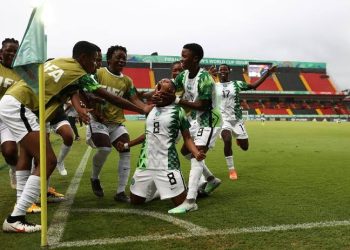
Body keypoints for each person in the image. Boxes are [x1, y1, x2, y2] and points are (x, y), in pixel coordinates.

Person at [0, 40, 151, 233]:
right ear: (83, 58)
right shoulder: (81, 73)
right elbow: (110, 96)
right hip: (21, 105)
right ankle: (15, 217)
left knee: (27, 155)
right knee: (47, 161)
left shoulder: (61, 61)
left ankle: (21, 207)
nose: (97, 65)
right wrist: (142, 109)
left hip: (15, 102)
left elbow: (71, 90)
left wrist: (83, 103)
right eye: (95, 60)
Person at [117, 79, 205, 208]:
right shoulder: (150, 110)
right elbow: (148, 134)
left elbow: (187, 138)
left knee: (181, 203)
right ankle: (158, 191)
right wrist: (127, 145)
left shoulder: (178, 111)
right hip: (145, 162)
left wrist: (196, 153)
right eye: (157, 89)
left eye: (163, 91)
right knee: (135, 202)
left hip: (167, 163)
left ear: (171, 94)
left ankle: (194, 192)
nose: (158, 93)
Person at [86, 45, 151, 202]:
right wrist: (94, 110)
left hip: (116, 123)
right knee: (105, 149)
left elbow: (134, 99)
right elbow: (87, 91)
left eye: (124, 57)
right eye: (118, 57)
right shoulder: (98, 73)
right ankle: (94, 178)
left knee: (126, 152)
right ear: (109, 60)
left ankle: (120, 192)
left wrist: (147, 108)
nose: (122, 60)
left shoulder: (127, 81)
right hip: (97, 120)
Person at [168, 43, 222, 214]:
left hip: (209, 120)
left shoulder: (205, 78)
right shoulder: (183, 75)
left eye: (185, 56)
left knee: (196, 156)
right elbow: (170, 88)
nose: (181, 59)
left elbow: (202, 105)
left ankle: (190, 200)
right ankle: (211, 180)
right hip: (196, 120)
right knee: (186, 151)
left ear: (195, 58)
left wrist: (176, 101)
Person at [215, 64, 276, 180]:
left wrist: (267, 74)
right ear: (218, 72)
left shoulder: (236, 84)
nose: (222, 71)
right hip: (223, 120)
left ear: (229, 71)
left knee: (245, 147)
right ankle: (232, 170)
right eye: (220, 70)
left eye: (225, 70)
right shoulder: (214, 86)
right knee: (227, 140)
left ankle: (239, 139)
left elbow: (253, 85)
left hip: (237, 120)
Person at [0, 38, 20, 190]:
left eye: (15, 51)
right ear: (1, 52)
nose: (12, 53)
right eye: (9, 50)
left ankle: (14, 171)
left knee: (10, 151)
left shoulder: (22, 72)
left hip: (7, 117)